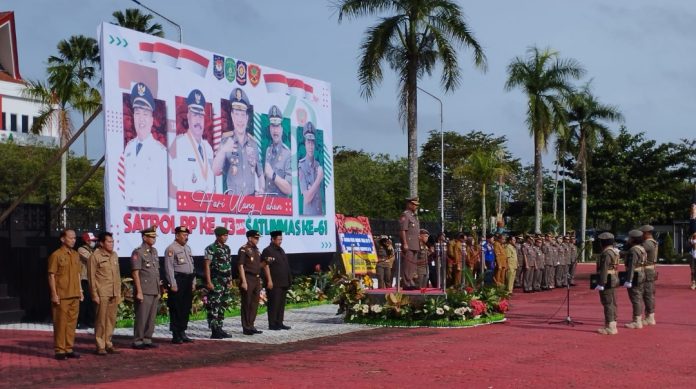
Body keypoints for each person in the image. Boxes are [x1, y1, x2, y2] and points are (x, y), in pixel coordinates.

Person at [123, 82, 168, 208]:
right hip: (128, 216)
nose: (141, 119)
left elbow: (162, 196)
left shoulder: (160, 152)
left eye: (145, 114)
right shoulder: (129, 148)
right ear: (133, 117)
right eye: (137, 113)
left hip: (150, 216)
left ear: (152, 120)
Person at [213, 87, 263, 196]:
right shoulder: (225, 139)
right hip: (231, 202)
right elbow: (215, 171)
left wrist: (262, 190)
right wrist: (223, 151)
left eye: (242, 115)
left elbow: (260, 173)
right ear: (232, 116)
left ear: (247, 118)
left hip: (251, 202)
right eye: (236, 114)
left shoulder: (254, 144)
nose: (240, 120)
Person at [47, 229, 83, 360]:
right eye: (70, 238)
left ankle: (69, 348)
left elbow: (78, 274)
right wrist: (54, 294)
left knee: (72, 323)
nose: (73, 240)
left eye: (74, 238)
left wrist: (80, 291)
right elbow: (51, 276)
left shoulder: (75, 255)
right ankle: (60, 350)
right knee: (60, 323)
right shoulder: (56, 255)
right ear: (62, 239)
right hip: (62, 295)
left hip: (74, 294)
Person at [171, 89, 215, 194]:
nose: (198, 121)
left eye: (201, 116)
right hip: (187, 207)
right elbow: (174, 185)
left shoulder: (208, 148)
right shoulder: (179, 144)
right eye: (195, 115)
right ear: (188, 116)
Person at [87, 232, 121, 355]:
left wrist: (118, 292)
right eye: (109, 242)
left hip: (113, 292)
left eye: (112, 241)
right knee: (101, 320)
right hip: (102, 293)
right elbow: (91, 277)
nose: (111, 244)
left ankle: (108, 343)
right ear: (101, 243)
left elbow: (117, 275)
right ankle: (100, 345)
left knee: (111, 320)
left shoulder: (114, 255)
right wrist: (94, 294)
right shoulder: (95, 256)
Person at [164, 226, 196, 344]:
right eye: (183, 235)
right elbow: (169, 267)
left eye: (187, 235)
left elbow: (192, 266)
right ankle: (176, 333)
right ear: (177, 235)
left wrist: (193, 281)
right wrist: (172, 283)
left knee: (185, 307)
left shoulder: (187, 248)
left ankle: (183, 331)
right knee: (176, 307)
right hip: (178, 280)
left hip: (188, 279)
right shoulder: (171, 249)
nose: (186, 237)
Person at [131, 226, 161, 349]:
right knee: (142, 316)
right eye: (151, 237)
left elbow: (156, 271)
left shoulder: (154, 251)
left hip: (154, 288)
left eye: (154, 237)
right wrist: (139, 291)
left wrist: (159, 288)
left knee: (151, 317)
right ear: (144, 237)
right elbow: (135, 272)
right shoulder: (138, 252)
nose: (153, 239)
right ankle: (138, 340)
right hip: (144, 289)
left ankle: (147, 338)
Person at [238, 230, 272, 335]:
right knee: (246, 303)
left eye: (258, 238)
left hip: (256, 279)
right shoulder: (244, 249)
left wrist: (266, 262)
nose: (257, 240)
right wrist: (243, 281)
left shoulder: (257, 250)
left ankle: (251, 325)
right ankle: (246, 327)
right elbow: (240, 266)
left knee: (254, 303)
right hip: (248, 278)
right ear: (249, 238)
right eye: (255, 238)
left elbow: (259, 266)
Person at [204, 226, 235, 339]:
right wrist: (208, 281)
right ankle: (214, 329)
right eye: (223, 235)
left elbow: (229, 265)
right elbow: (207, 265)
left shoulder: (227, 248)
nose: (226, 237)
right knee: (214, 305)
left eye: (226, 235)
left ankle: (220, 327)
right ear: (218, 236)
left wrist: (230, 279)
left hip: (225, 280)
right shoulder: (211, 248)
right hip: (216, 280)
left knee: (223, 304)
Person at [262, 230, 293, 330]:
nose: (280, 241)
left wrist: (289, 279)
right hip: (274, 282)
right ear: (272, 239)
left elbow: (285, 266)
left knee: (281, 304)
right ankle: (272, 324)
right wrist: (269, 281)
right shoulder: (268, 250)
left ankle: (279, 322)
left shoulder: (281, 250)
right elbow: (265, 266)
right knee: (273, 304)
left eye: (281, 239)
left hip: (283, 281)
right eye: (279, 239)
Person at [263, 105, 292, 196]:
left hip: (280, 208)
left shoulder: (287, 154)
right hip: (266, 206)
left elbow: (289, 189)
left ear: (282, 129)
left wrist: (273, 175)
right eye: (273, 126)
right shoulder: (268, 150)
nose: (275, 130)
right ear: (270, 128)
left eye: (278, 126)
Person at [595, 232, 620, 335]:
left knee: (607, 302)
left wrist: (601, 282)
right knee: (612, 302)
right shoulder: (614, 251)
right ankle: (613, 323)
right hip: (613, 277)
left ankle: (610, 326)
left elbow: (604, 268)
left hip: (607, 278)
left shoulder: (606, 253)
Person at [298, 121, 324, 215]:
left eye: (312, 143)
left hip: (320, 217)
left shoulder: (318, 165)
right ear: (305, 144)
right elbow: (307, 198)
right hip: (309, 219)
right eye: (308, 143)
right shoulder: (301, 166)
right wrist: (318, 179)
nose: (310, 146)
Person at [624, 229, 648, 329]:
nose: (628, 239)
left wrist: (629, 280)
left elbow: (632, 266)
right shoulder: (641, 248)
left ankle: (636, 320)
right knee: (638, 297)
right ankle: (639, 318)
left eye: (630, 238)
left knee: (635, 298)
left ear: (633, 239)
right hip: (641, 272)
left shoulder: (633, 250)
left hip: (635, 274)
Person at [77, 232, 98, 329]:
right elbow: (91, 260)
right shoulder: (81, 249)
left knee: (91, 301)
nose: (94, 242)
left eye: (94, 240)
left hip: (92, 279)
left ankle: (90, 321)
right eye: (92, 241)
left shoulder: (93, 250)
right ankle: (81, 321)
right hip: (84, 279)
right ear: (87, 241)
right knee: (84, 302)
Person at [399, 197, 420, 290]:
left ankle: (410, 280)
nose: (416, 206)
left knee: (413, 264)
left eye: (416, 205)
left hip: (415, 244)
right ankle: (406, 282)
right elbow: (403, 230)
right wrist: (405, 243)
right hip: (409, 243)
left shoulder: (414, 216)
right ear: (409, 204)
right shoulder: (406, 215)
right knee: (408, 263)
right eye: (414, 204)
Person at [639, 224, 658, 326]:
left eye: (642, 233)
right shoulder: (652, 242)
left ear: (646, 233)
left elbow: (638, 252)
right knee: (648, 293)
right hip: (650, 270)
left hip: (647, 270)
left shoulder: (647, 243)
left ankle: (650, 317)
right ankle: (649, 315)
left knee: (647, 294)